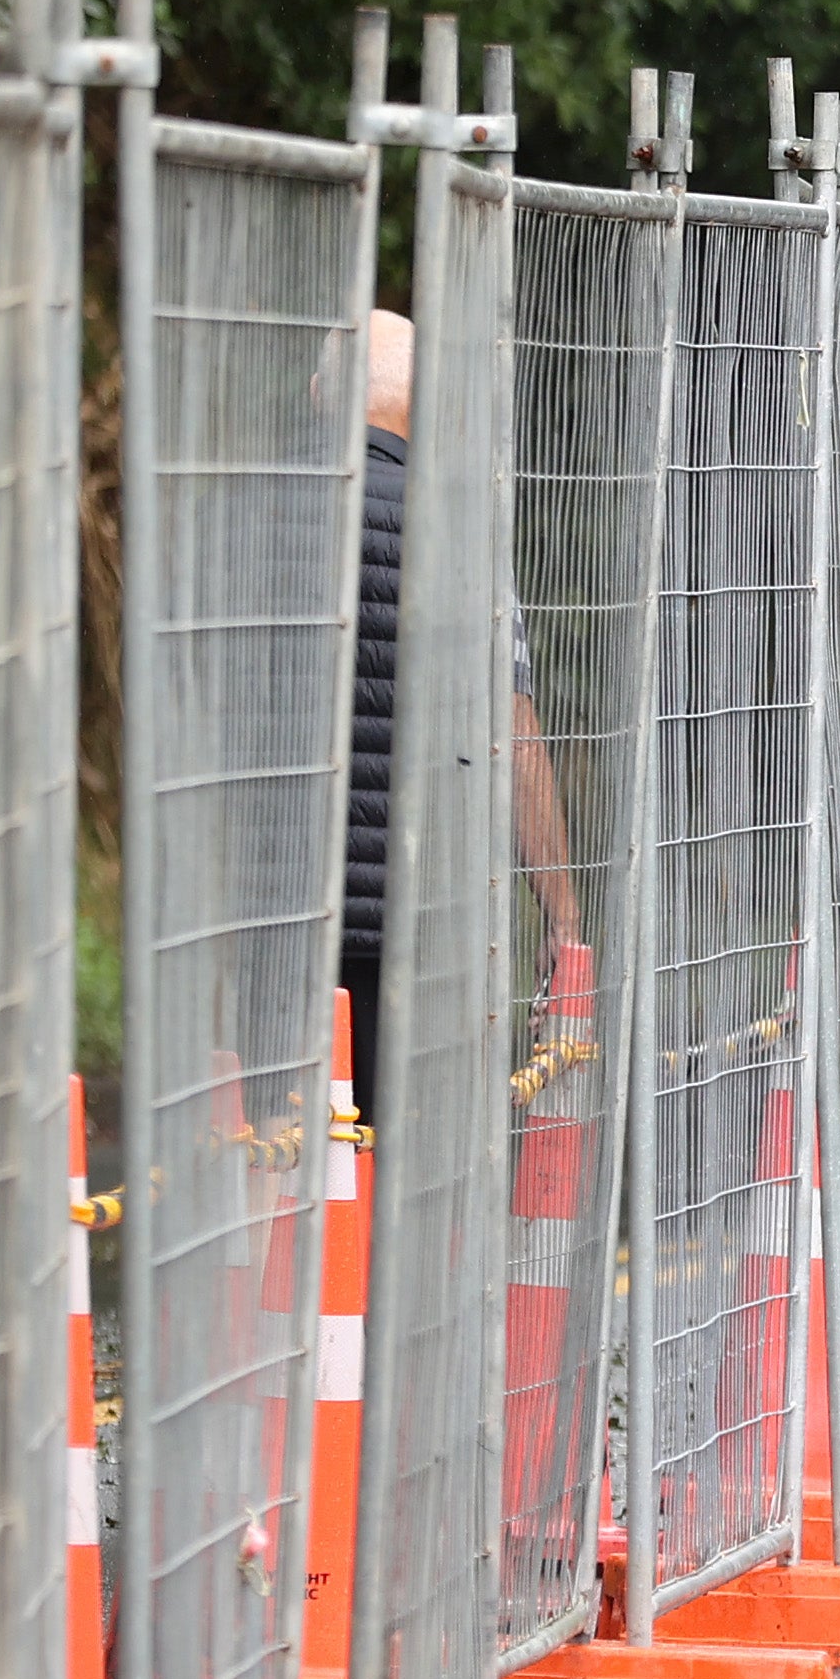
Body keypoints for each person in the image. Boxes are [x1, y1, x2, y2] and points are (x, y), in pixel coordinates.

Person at [342, 307, 580, 1124]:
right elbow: (511, 733)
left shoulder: (260, 512)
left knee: (283, 1147)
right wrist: (562, 912)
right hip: (412, 924)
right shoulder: (455, 537)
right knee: (405, 1158)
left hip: (269, 920)